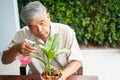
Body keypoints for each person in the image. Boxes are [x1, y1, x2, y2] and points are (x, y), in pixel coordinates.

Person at [1, 1, 82, 80]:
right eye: (33, 27)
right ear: (27, 26)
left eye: (42, 23)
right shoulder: (22, 34)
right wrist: (15, 49)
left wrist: (60, 77)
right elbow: (4, 60)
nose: (39, 30)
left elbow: (76, 61)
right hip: (38, 77)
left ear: (48, 17)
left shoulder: (66, 31)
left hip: (65, 76)